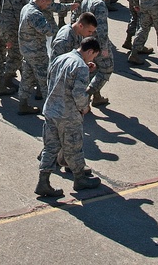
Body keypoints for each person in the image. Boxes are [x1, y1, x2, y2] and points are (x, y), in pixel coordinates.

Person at [35, 37, 102, 197]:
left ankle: (43, 181)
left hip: (51, 110)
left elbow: (51, 79)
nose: (92, 59)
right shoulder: (80, 67)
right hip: (68, 114)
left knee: (50, 147)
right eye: (93, 56)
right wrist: (84, 107)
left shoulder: (61, 58)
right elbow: (78, 93)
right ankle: (80, 179)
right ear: (90, 51)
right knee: (74, 147)